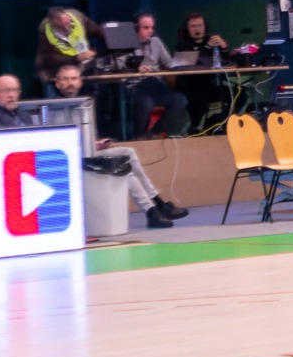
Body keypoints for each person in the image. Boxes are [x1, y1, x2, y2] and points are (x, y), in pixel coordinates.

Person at [50, 61, 187, 228]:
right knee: (123, 163)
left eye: (74, 78)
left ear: (80, 81)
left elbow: (84, 136)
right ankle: (155, 207)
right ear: (57, 82)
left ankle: (155, 207)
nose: (70, 83)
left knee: (127, 153)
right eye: (65, 79)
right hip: (69, 159)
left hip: (88, 152)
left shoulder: (85, 104)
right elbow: (59, 141)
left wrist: (97, 143)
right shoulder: (52, 108)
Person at [125, 12, 189, 136]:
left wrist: (183, 62)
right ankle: (139, 137)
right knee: (146, 102)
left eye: (152, 28)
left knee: (180, 100)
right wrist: (136, 67)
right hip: (135, 87)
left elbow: (168, 63)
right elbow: (120, 65)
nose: (150, 31)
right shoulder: (126, 43)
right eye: (145, 28)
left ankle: (153, 133)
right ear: (136, 28)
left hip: (155, 85)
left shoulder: (156, 42)